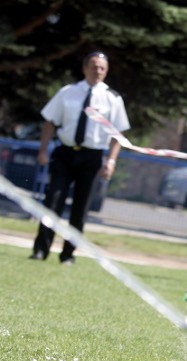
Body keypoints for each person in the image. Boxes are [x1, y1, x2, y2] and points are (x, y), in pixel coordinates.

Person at [30, 51, 129, 264]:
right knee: (52, 202)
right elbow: (50, 122)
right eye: (94, 66)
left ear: (107, 71)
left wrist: (111, 161)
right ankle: (41, 250)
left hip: (92, 158)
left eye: (102, 67)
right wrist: (43, 149)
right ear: (85, 68)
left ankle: (68, 254)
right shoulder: (68, 92)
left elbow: (117, 135)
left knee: (80, 208)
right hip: (65, 154)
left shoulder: (112, 98)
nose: (98, 71)